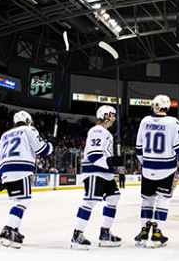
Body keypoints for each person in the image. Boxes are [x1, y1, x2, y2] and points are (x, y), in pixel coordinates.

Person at [134, 95, 179, 248]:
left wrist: (146, 163)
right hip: (166, 169)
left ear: (155, 106)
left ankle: (143, 231)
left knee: (147, 200)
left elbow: (138, 149)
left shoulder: (144, 121)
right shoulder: (173, 122)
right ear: (167, 107)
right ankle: (157, 233)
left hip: (148, 169)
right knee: (163, 199)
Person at [0, 111, 56, 249]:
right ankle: (8, 230)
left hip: (5, 170)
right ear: (27, 120)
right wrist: (51, 144)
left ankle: (13, 230)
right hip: (21, 168)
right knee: (23, 201)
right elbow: (42, 150)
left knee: (17, 200)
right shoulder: (29, 130)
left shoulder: (5, 135)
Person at [70, 105, 123, 250]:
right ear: (105, 116)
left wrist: (111, 161)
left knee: (114, 197)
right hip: (95, 172)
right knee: (90, 201)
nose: (114, 118)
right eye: (112, 115)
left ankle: (105, 232)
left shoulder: (104, 131)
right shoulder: (98, 130)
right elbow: (94, 155)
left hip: (104, 173)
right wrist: (111, 161)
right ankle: (77, 234)